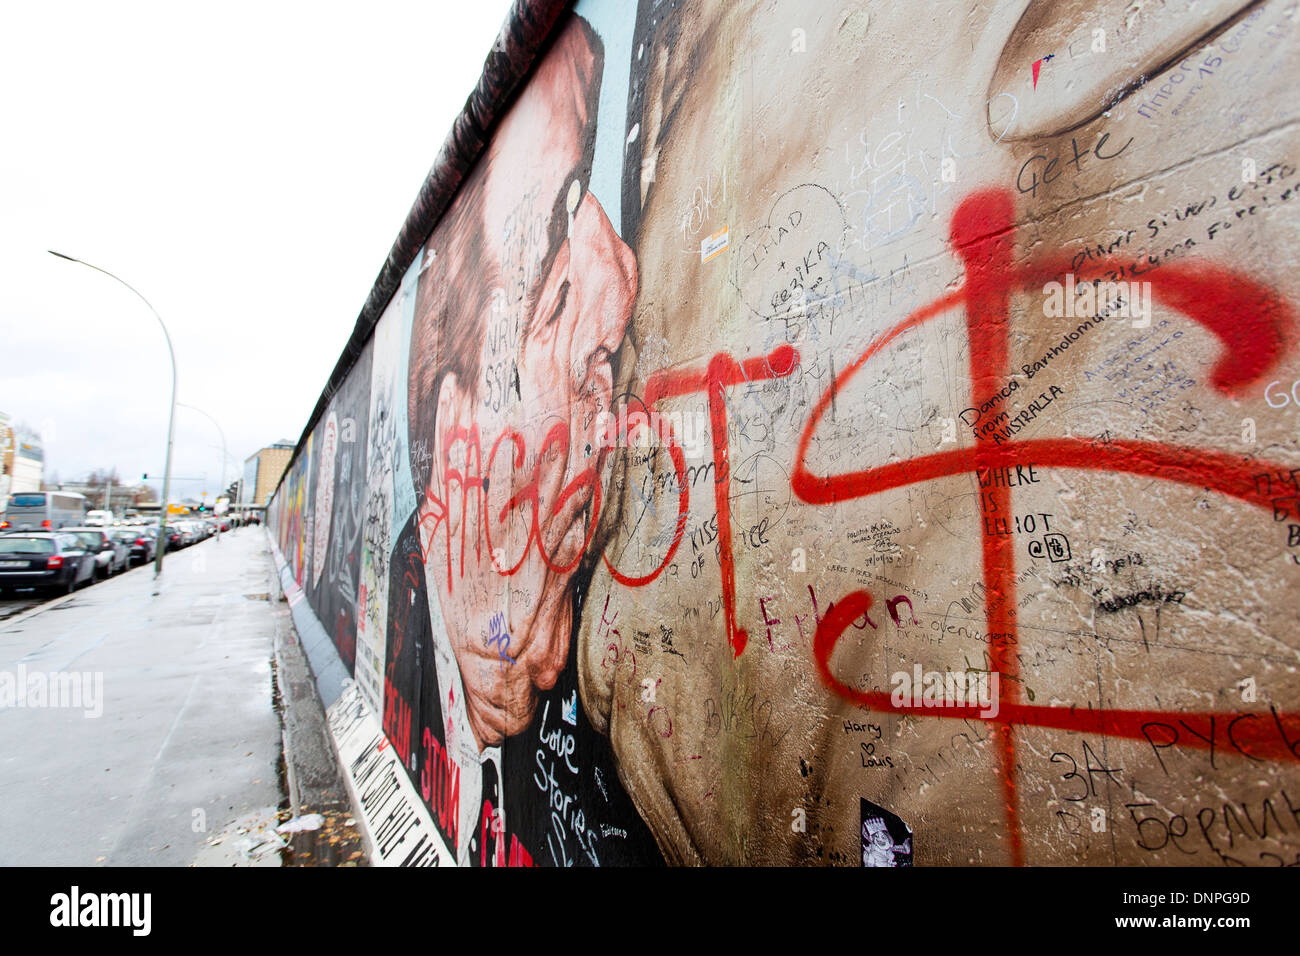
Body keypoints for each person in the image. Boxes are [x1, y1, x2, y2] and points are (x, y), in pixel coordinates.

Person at [386, 13, 660, 867]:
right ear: (457, 434)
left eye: (590, 194)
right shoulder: (403, 645)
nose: (619, 275)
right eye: (551, 280)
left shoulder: (610, 706)